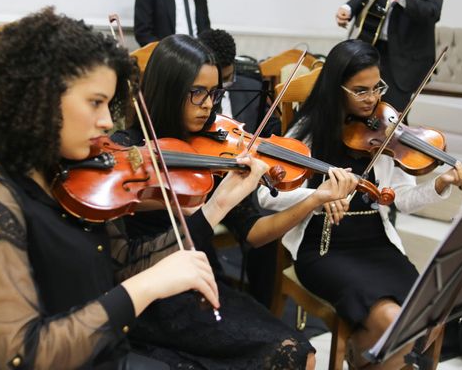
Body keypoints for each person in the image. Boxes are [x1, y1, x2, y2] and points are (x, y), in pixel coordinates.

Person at [0, 8, 268, 369]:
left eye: (108, 104)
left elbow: (124, 261)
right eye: (95, 102)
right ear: (40, 97)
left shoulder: (66, 173)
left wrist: (217, 205)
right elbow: (21, 354)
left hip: (108, 353)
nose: (107, 122)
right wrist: (147, 287)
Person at [113, 34, 363, 369]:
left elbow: (255, 232)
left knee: (303, 354)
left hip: (204, 285)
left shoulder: (215, 150)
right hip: (151, 295)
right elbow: (120, 259)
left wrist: (314, 199)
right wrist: (209, 208)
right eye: (197, 92)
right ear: (170, 88)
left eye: (214, 92)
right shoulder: (128, 153)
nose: (208, 104)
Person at [256, 39, 462, 369]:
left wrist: (440, 184)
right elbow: (268, 195)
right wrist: (318, 196)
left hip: (377, 244)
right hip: (325, 247)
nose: (372, 99)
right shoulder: (308, 130)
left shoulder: (385, 131)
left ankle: (361, 357)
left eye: (377, 87)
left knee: (423, 317)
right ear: (336, 88)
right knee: (391, 320)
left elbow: (404, 200)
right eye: (360, 90)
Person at [198, 27, 281, 307]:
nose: (224, 84)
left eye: (228, 74)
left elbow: (271, 130)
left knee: (266, 232)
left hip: (245, 176)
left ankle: (261, 304)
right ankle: (215, 300)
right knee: (198, 233)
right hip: (204, 176)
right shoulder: (194, 94)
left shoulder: (254, 87)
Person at [198, 28, 280, 136]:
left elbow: (271, 129)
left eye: (227, 78)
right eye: (217, 82)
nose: (222, 87)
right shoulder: (191, 95)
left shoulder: (254, 89)